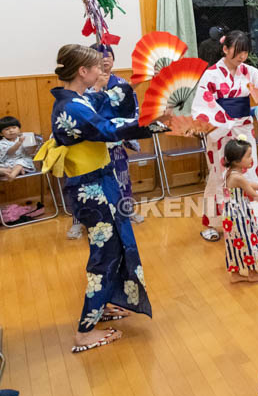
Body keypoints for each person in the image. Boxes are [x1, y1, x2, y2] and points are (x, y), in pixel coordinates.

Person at [34, 44, 164, 353]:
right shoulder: (71, 108)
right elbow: (107, 128)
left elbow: (107, 103)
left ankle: (103, 304)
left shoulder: (78, 99)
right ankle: (84, 331)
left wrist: (147, 103)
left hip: (100, 181)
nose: (102, 73)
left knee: (114, 245)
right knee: (104, 253)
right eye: (97, 68)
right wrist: (156, 123)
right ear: (83, 71)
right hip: (90, 187)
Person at [192, 30, 258, 242]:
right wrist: (223, 122)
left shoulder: (249, 72)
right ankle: (214, 223)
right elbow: (204, 104)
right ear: (225, 49)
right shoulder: (212, 74)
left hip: (243, 128)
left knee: (249, 173)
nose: (242, 57)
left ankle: (251, 220)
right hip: (220, 132)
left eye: (245, 53)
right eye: (237, 52)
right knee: (219, 175)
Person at [88, 43, 145, 225]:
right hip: (92, 144)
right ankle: (84, 220)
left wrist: (124, 127)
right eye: (100, 55)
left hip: (116, 139)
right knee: (90, 184)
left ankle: (126, 212)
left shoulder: (121, 83)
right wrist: (97, 87)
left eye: (109, 55)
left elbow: (133, 111)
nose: (105, 58)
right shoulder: (84, 85)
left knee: (122, 177)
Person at [222, 137, 258, 283]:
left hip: (231, 213)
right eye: (248, 156)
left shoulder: (230, 172)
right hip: (239, 214)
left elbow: (249, 185)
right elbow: (253, 195)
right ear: (237, 161)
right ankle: (253, 273)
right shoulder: (238, 177)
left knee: (236, 242)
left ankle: (235, 274)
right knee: (248, 240)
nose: (251, 159)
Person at [0, 117, 35, 181]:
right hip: (6, 162)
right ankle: (8, 172)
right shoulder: (2, 143)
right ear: (1, 133)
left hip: (20, 161)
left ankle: (12, 175)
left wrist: (32, 147)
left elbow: (31, 151)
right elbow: (10, 152)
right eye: (7, 129)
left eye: (14, 127)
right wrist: (19, 143)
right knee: (2, 168)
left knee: (20, 164)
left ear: (19, 129)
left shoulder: (23, 138)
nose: (11, 130)